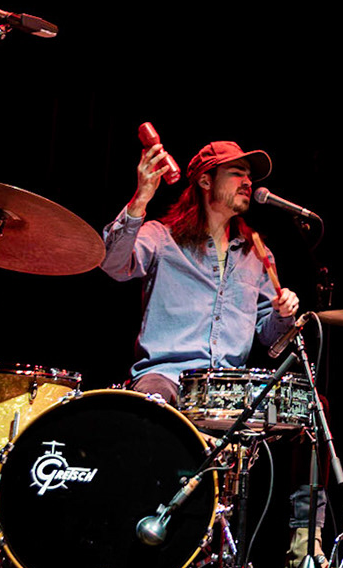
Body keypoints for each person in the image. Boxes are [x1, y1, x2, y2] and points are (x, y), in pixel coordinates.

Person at [102, 139, 301, 405]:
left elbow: (270, 338)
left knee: (296, 410)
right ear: (205, 182)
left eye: (249, 176)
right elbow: (113, 264)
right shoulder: (162, 237)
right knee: (151, 405)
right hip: (167, 378)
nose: (247, 182)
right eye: (236, 173)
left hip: (229, 388)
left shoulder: (257, 254)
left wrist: (282, 312)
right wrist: (141, 199)